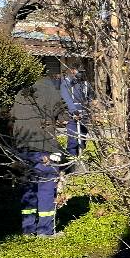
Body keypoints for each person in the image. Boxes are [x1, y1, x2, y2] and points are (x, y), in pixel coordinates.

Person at [12, 62, 69, 237]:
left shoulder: (21, 93)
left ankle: (27, 229)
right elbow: (65, 118)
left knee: (28, 187)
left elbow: (13, 117)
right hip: (44, 147)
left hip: (22, 147)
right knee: (45, 187)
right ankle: (45, 231)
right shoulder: (52, 93)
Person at [59, 61, 91, 158]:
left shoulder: (85, 84)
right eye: (79, 71)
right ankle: (72, 159)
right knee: (73, 139)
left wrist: (91, 109)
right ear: (72, 71)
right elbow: (66, 99)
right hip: (72, 115)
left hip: (84, 115)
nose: (81, 73)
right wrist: (73, 111)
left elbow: (89, 99)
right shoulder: (66, 84)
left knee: (82, 137)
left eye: (82, 71)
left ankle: (82, 157)